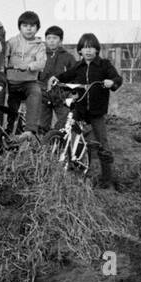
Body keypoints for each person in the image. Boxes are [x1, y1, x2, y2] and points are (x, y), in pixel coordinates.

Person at [48, 33, 124, 189]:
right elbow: (66, 75)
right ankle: (67, 163)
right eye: (84, 48)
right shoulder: (78, 66)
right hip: (80, 109)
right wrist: (56, 78)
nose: (88, 51)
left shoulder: (104, 65)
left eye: (91, 48)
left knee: (102, 143)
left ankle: (107, 179)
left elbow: (117, 78)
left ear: (96, 50)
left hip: (96, 111)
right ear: (80, 51)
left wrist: (112, 82)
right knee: (63, 129)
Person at [3, 11, 46, 138]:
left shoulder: (40, 45)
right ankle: (10, 134)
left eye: (32, 26)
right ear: (19, 27)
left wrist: (29, 66)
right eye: (25, 25)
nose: (29, 28)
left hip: (29, 82)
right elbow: (4, 57)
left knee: (36, 92)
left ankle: (30, 130)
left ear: (37, 28)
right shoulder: (11, 42)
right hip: (12, 82)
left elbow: (41, 63)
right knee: (12, 111)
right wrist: (5, 66)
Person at [37, 25, 78, 134]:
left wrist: (71, 92)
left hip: (61, 95)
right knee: (42, 125)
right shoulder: (41, 55)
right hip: (43, 95)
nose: (51, 41)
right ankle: (43, 147)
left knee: (64, 123)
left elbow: (74, 74)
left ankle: (59, 145)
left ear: (60, 40)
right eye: (49, 38)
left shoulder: (68, 57)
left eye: (54, 38)